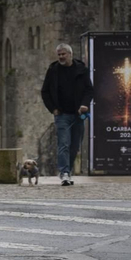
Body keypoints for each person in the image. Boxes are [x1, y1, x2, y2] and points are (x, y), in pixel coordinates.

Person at [40, 42, 91, 186]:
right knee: (63, 144)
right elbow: (45, 91)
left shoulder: (82, 70)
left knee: (75, 145)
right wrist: (52, 108)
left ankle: (68, 170)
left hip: (78, 115)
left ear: (70, 54)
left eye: (63, 54)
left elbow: (89, 90)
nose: (61, 57)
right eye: (59, 55)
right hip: (61, 115)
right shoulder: (53, 70)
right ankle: (65, 173)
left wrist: (84, 104)